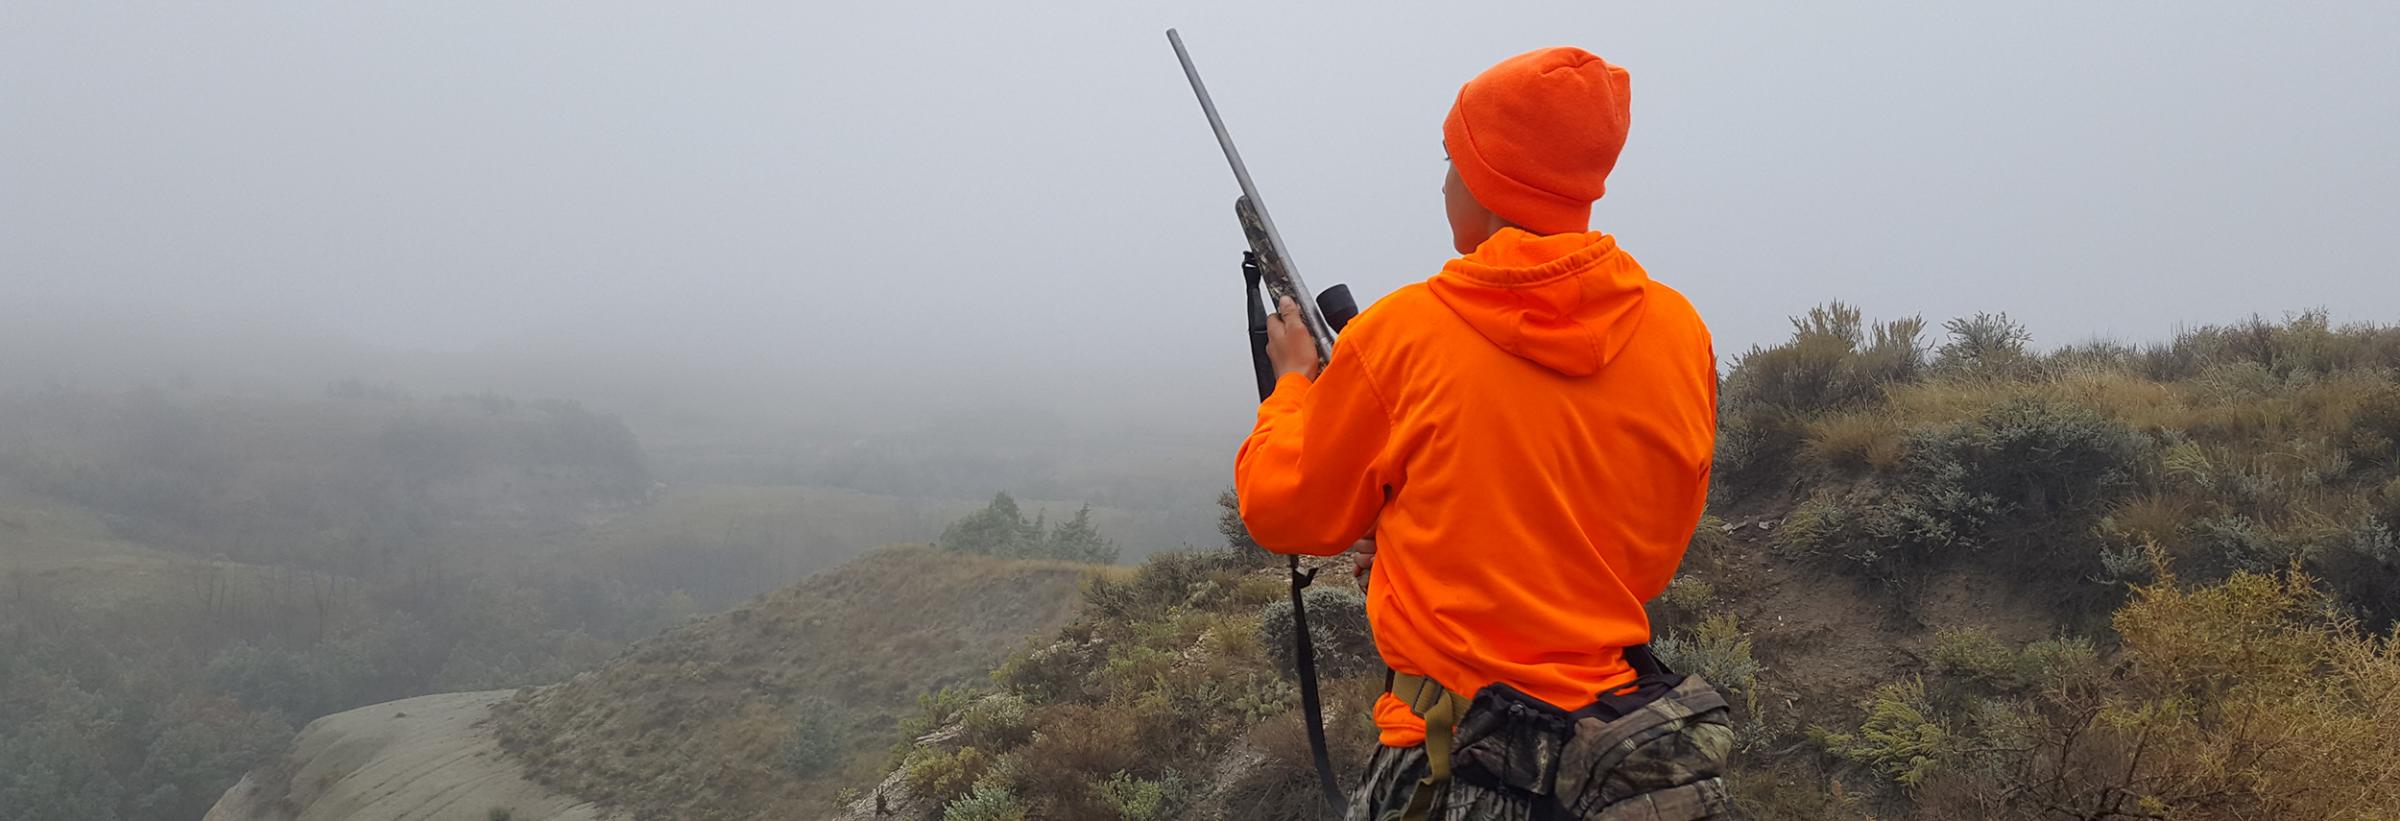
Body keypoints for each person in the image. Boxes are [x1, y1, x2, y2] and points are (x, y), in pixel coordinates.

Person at [1234, 45, 1730, 821]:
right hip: (1614, 754)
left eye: (1452, 159)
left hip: (1453, 759)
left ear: (1491, 182)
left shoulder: (1404, 335)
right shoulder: (1679, 331)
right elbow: (1641, 548)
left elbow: (1283, 509)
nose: (1443, 182)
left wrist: (1294, 384)